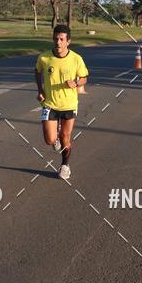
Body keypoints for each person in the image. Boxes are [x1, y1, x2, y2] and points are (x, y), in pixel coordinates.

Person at [35, 24, 89, 180]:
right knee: (50, 140)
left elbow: (84, 77)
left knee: (66, 136)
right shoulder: (44, 57)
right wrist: (40, 90)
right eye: (56, 39)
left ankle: (65, 166)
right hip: (50, 104)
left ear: (68, 41)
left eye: (61, 39)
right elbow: (37, 71)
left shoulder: (76, 58)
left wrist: (76, 83)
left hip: (69, 105)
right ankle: (56, 139)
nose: (58, 42)